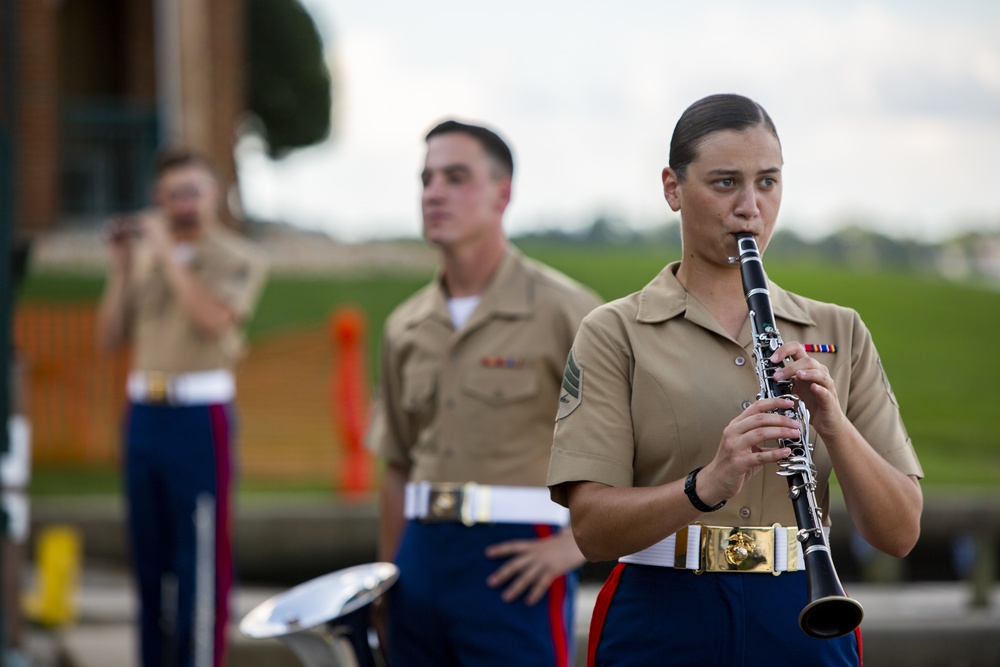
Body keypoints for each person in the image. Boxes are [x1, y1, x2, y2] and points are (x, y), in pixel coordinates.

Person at [547, 93, 924, 667]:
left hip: (802, 612)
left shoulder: (840, 330)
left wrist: (832, 423)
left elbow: (899, 534)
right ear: (673, 188)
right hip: (661, 613)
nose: (750, 208)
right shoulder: (614, 331)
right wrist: (708, 482)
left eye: (767, 183)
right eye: (725, 183)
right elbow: (592, 530)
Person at [366, 119, 602, 666]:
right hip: (419, 558)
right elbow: (398, 465)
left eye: (456, 177)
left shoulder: (568, 311)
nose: (434, 193)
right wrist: (386, 577)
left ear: (503, 192)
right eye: (426, 179)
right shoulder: (405, 326)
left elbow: (641, 445)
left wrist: (572, 548)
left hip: (516, 559)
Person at [96, 147, 268, 667]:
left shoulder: (238, 257)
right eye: (173, 195)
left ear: (214, 194)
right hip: (145, 413)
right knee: (148, 562)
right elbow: (108, 338)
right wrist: (123, 270)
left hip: (199, 417)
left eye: (193, 192)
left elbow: (213, 319)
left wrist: (167, 254)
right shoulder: (149, 256)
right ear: (158, 198)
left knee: (199, 561)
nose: (184, 204)